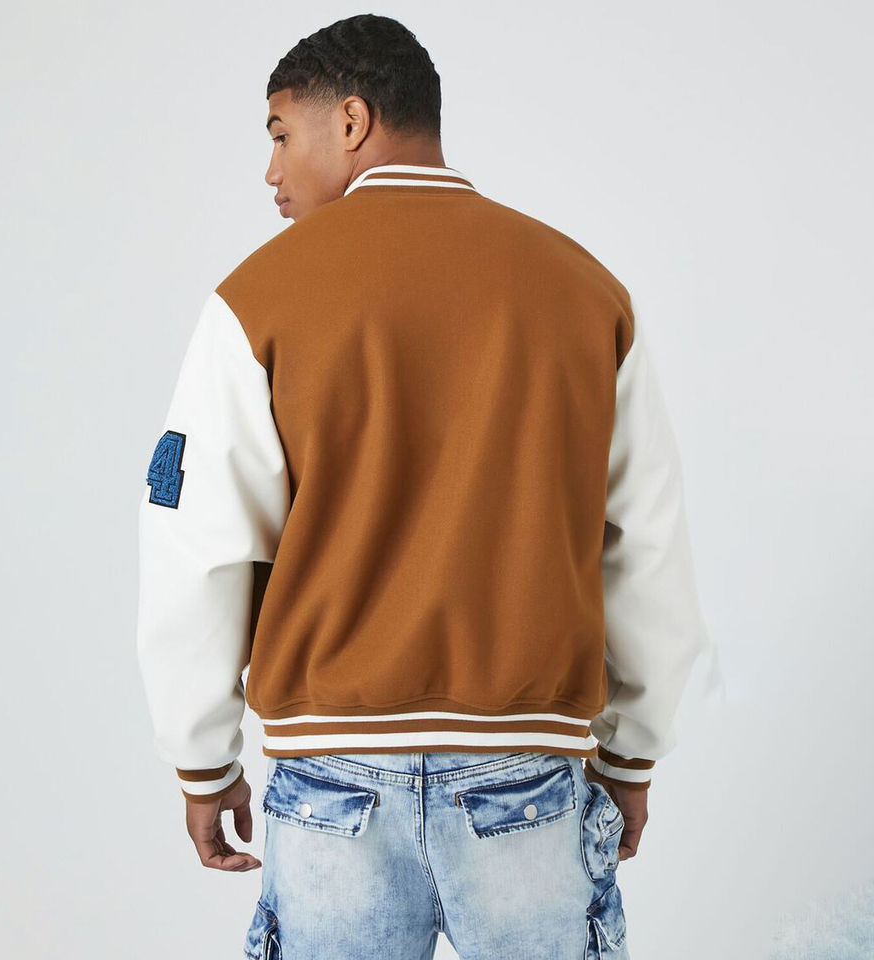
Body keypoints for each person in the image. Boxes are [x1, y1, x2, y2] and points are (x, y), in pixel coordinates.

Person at [136, 13, 717, 960]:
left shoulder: (256, 298)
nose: (271, 171)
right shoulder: (585, 291)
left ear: (352, 120)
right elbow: (647, 541)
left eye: (280, 134)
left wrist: (201, 760)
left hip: (332, 787)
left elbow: (195, 547)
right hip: (527, 776)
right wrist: (631, 751)